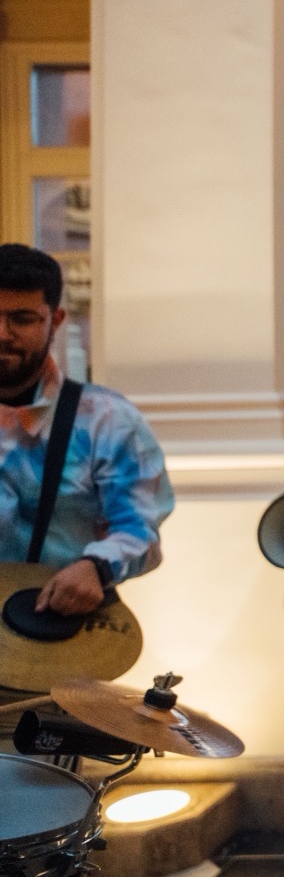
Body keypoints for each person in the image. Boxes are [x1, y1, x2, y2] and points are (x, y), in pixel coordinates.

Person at [0, 244, 171, 613]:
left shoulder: (107, 420)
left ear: (56, 320)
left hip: (55, 629)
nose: (3, 333)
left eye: (22, 319)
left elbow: (139, 530)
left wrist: (96, 566)